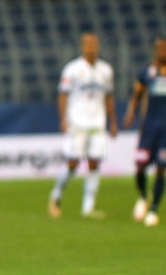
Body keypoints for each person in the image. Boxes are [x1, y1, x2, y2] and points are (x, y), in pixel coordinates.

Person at [48, 33, 117, 219]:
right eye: (88, 44)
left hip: (97, 123)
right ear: (82, 47)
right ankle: (56, 195)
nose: (92, 48)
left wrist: (113, 122)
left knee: (94, 163)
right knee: (73, 163)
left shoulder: (106, 70)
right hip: (77, 122)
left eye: (95, 44)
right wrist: (63, 118)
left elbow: (109, 97)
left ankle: (88, 208)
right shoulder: (72, 69)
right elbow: (63, 94)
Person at [123, 37, 166, 227]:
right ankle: (143, 196)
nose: (162, 51)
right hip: (149, 128)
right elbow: (137, 95)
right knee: (140, 166)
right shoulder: (147, 72)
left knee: (160, 168)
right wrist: (131, 113)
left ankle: (154, 209)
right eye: (159, 48)